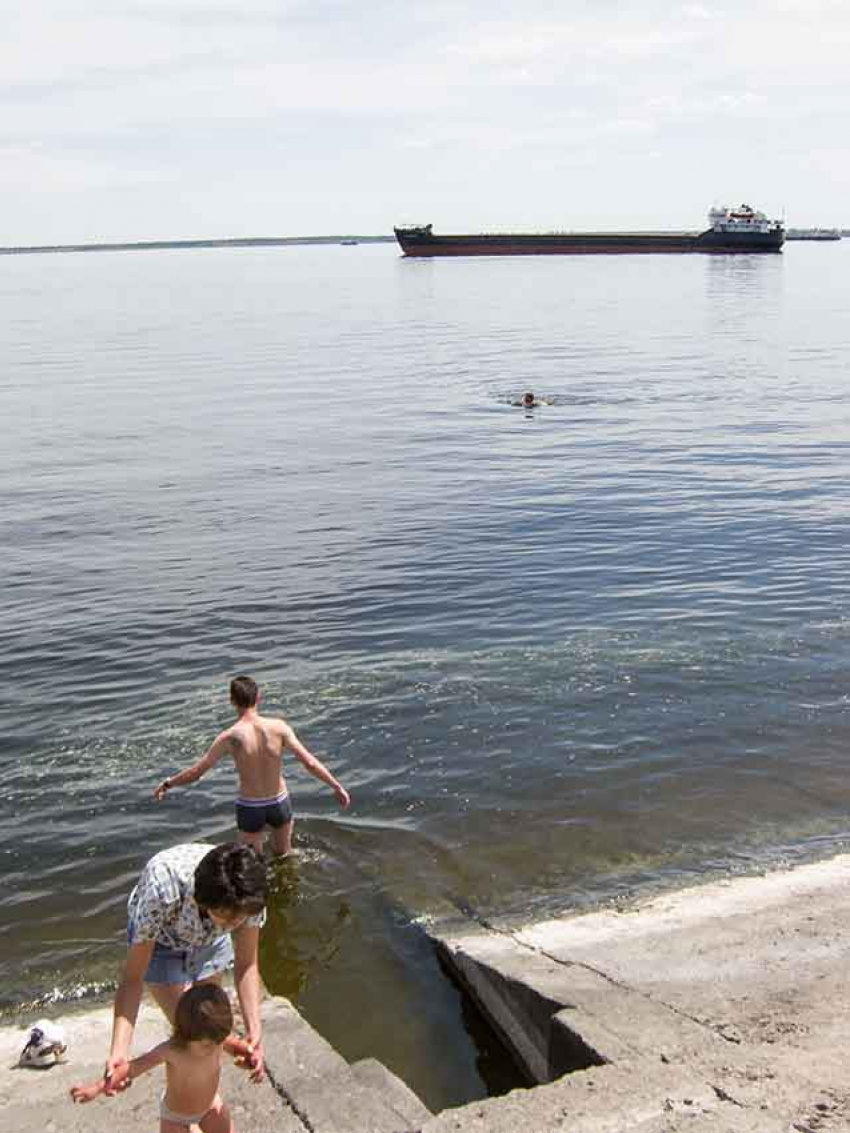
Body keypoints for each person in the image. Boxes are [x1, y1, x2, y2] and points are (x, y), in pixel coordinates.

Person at [103, 842, 267, 1096]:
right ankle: (184, 1110)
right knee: (189, 1032)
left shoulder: (249, 893)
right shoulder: (162, 889)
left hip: (210, 941)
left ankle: (205, 1100)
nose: (235, 924)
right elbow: (132, 979)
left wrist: (254, 1033)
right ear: (204, 902)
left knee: (210, 1027)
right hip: (161, 940)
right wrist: (119, 1052)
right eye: (227, 916)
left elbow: (246, 965)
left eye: (240, 918)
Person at [154, 675, 350, 857]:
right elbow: (310, 762)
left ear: (232, 701)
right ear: (258, 697)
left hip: (250, 807)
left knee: (250, 865)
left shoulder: (229, 737)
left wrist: (168, 783)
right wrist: (336, 786)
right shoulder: (279, 727)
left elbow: (197, 772)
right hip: (278, 802)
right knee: (284, 857)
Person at [72, 983, 253, 1132]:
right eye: (206, 1045)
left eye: (219, 1041)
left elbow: (238, 1047)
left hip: (210, 1106)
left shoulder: (214, 1037)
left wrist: (250, 1058)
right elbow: (132, 1068)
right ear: (185, 1035)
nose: (215, 1047)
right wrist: (97, 1088)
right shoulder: (172, 1050)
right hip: (176, 1117)